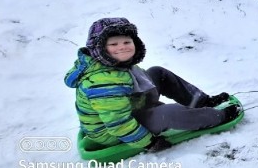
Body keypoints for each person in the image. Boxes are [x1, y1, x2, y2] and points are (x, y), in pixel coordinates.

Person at [64, 17, 241, 153]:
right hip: (113, 132)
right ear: (99, 48)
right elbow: (118, 124)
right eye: (114, 44)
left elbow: (133, 85)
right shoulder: (103, 82)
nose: (123, 47)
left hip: (129, 107)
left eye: (127, 42)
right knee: (169, 113)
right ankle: (217, 117)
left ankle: (201, 102)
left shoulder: (115, 64)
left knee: (157, 73)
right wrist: (149, 143)